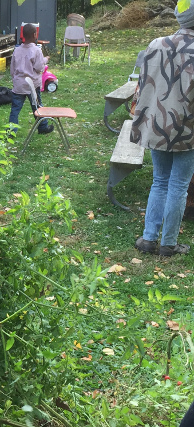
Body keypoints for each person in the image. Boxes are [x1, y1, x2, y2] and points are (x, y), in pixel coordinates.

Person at [132, 1, 194, 258]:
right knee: (179, 185)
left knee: (160, 181)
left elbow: (142, 86)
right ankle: (168, 244)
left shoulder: (155, 44)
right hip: (188, 128)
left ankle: (148, 239)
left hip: (157, 124)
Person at [7, 23, 53, 137]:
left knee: (15, 109)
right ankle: (42, 127)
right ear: (34, 35)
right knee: (37, 106)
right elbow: (38, 67)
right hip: (32, 84)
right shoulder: (37, 50)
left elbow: (12, 68)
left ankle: (11, 132)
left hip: (19, 85)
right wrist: (45, 60)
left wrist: (15, 79)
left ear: (23, 35)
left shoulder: (17, 50)